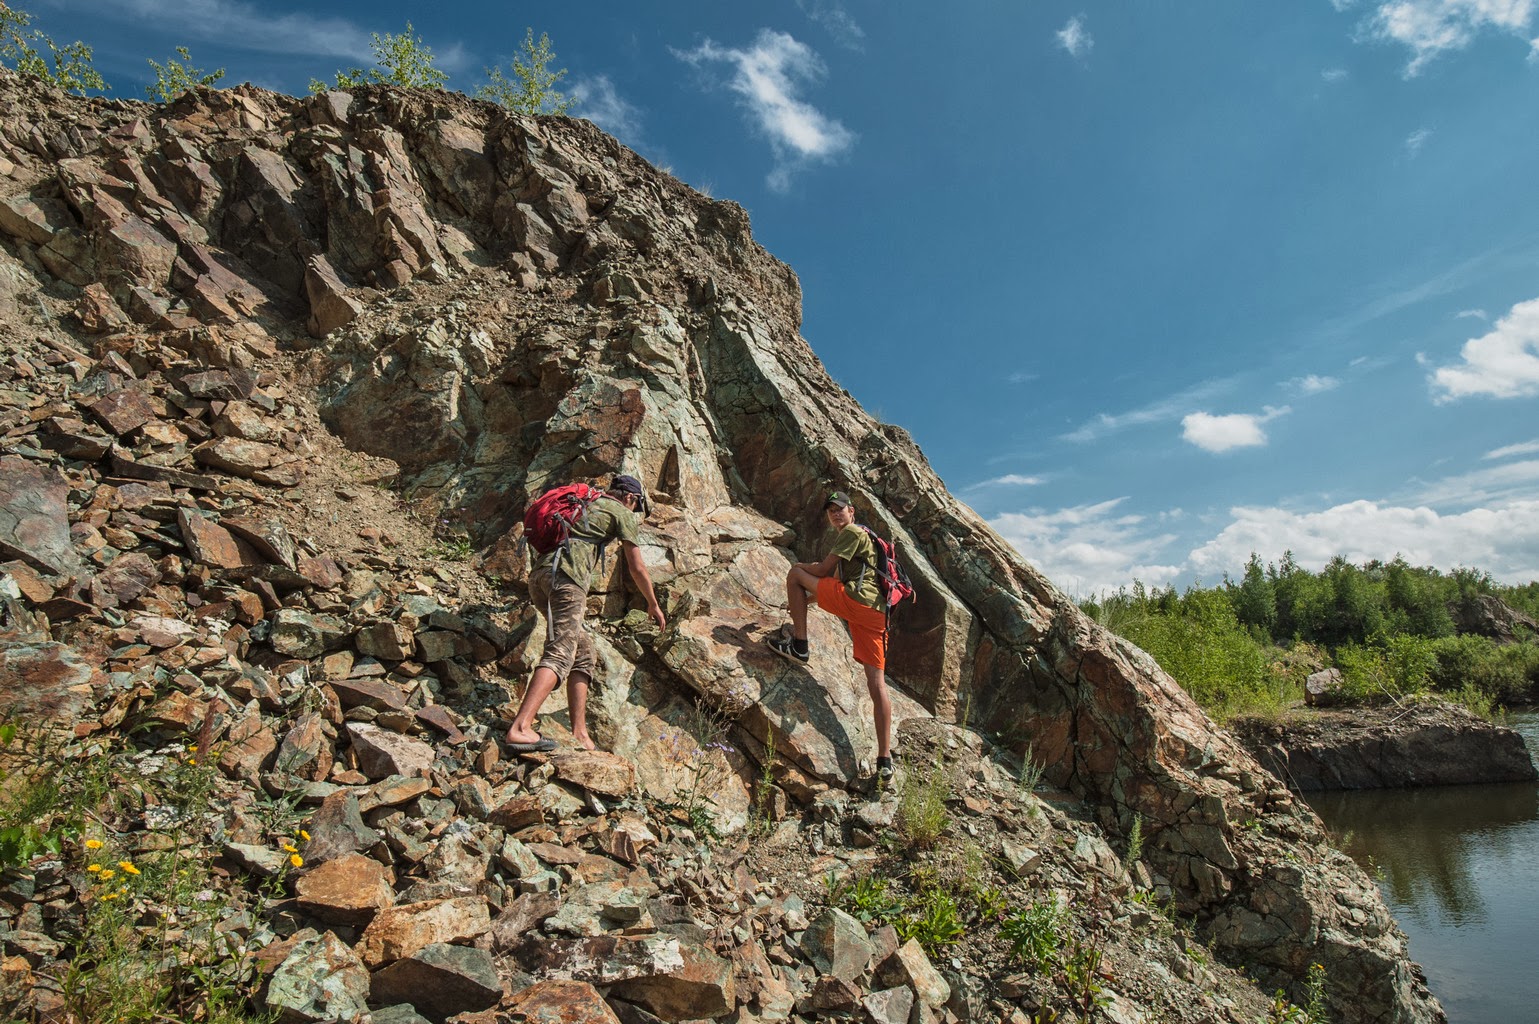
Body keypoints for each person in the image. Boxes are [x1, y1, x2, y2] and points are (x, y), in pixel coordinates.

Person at [505, 474, 666, 752]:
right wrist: (652, 603)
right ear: (630, 497)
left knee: (583, 651)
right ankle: (520, 728)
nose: (635, 511)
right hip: (568, 578)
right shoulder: (620, 511)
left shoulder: (587, 502)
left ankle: (580, 733)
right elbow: (636, 566)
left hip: (541, 577)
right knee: (560, 653)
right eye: (637, 506)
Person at [767, 490, 894, 781]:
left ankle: (799, 646)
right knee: (877, 684)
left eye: (840, 508)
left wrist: (798, 570)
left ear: (852, 511)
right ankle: (885, 759)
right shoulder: (864, 537)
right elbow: (835, 580)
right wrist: (802, 599)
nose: (836, 514)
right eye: (831, 510)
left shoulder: (851, 532)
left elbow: (823, 570)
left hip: (857, 602)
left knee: (794, 574)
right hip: (876, 614)